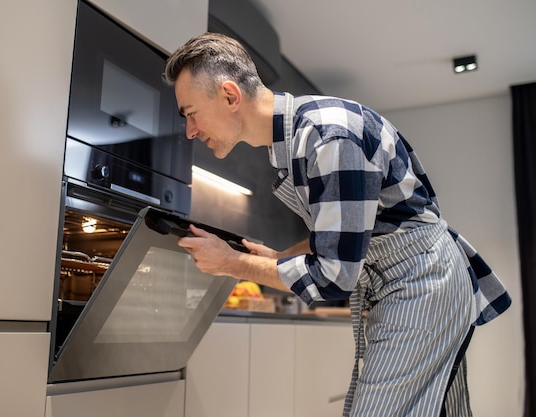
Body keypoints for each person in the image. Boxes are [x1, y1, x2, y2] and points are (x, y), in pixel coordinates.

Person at [163, 32, 511, 417]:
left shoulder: (328, 137)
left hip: (423, 280)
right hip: (410, 279)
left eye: (190, 112)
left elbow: (334, 275)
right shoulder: (295, 143)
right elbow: (337, 237)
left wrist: (232, 263)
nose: (190, 130)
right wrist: (279, 256)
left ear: (230, 96)